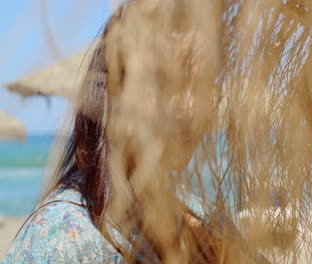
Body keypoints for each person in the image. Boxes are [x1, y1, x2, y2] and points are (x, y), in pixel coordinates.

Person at [1, 2, 246, 263]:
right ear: (118, 88)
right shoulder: (63, 239)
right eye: (166, 81)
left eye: (204, 85)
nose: (189, 108)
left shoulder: (203, 218)